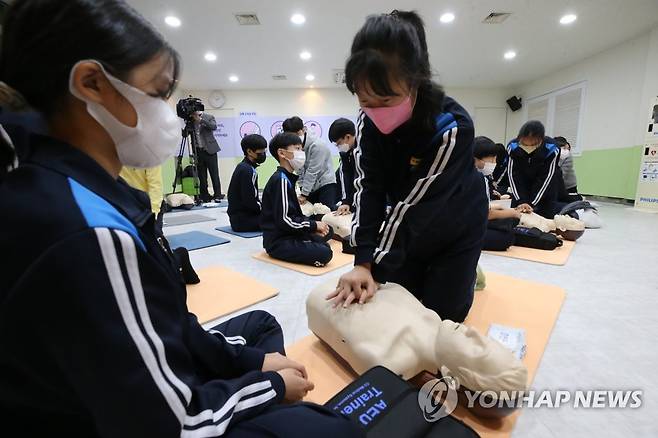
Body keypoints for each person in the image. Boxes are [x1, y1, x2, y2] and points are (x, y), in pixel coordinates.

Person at [0, 2, 362, 437]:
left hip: (149, 375)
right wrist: (266, 386)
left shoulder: (77, 189)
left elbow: (167, 326)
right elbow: (165, 423)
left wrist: (251, 367)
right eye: (157, 93)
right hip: (161, 416)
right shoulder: (86, 229)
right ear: (92, 84)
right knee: (326, 426)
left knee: (262, 325)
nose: (169, 114)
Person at [329, 10, 488, 323]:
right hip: (409, 226)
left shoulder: (450, 128)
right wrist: (363, 261)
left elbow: (412, 208)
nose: (374, 111)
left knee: (439, 318)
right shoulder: (368, 120)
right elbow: (369, 186)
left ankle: (468, 272)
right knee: (394, 307)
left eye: (386, 100)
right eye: (365, 101)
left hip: (457, 224)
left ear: (416, 83)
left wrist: (373, 266)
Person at [260, 132, 334, 267]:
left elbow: (294, 215)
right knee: (324, 253)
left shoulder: (287, 178)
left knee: (329, 231)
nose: (302, 153)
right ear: (282, 153)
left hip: (290, 232)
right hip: (278, 241)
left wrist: (313, 226)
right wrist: (313, 225)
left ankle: (310, 241)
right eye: (297, 149)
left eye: (302, 149)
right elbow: (284, 220)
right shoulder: (280, 180)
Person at [473, 136, 521, 251]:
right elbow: (485, 214)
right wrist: (512, 213)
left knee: (509, 222)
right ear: (476, 159)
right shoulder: (478, 178)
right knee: (507, 237)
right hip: (466, 227)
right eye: (492, 160)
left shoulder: (474, 175)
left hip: (468, 221)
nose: (494, 163)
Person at [506, 120, 562, 218]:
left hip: (545, 188)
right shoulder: (513, 147)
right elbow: (513, 174)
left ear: (540, 140)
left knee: (544, 221)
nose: (528, 147)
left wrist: (532, 203)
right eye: (525, 143)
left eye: (532, 144)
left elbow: (546, 177)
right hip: (521, 185)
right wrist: (521, 200)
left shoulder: (552, 148)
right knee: (516, 220)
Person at [282, 116, 337, 210]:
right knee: (311, 214)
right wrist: (303, 188)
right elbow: (299, 168)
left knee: (326, 213)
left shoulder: (318, 145)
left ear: (303, 129)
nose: (295, 138)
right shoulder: (295, 146)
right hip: (310, 187)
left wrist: (304, 194)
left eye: (297, 134)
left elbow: (312, 171)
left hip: (325, 185)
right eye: (292, 136)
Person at [227, 134, 267, 232]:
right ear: (249, 151)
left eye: (264, 151)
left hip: (237, 219)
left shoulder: (242, 166)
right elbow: (250, 201)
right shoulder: (249, 171)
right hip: (245, 221)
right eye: (260, 152)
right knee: (279, 220)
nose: (263, 154)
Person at [193, 110, 224, 202]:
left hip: (210, 150)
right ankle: (204, 196)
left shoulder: (209, 117)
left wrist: (200, 120)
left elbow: (213, 126)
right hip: (198, 151)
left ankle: (217, 195)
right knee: (202, 176)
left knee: (214, 174)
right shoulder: (191, 120)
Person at [328, 117, 357, 215]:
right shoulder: (345, 153)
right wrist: (346, 202)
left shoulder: (365, 150)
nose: (338, 147)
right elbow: (345, 176)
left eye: (339, 143)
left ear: (348, 137)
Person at [554, 135, 582, 202]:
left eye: (567, 149)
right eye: (564, 148)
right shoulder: (552, 155)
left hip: (569, 186)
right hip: (557, 185)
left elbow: (562, 174)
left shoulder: (568, 156)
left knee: (569, 201)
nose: (566, 151)